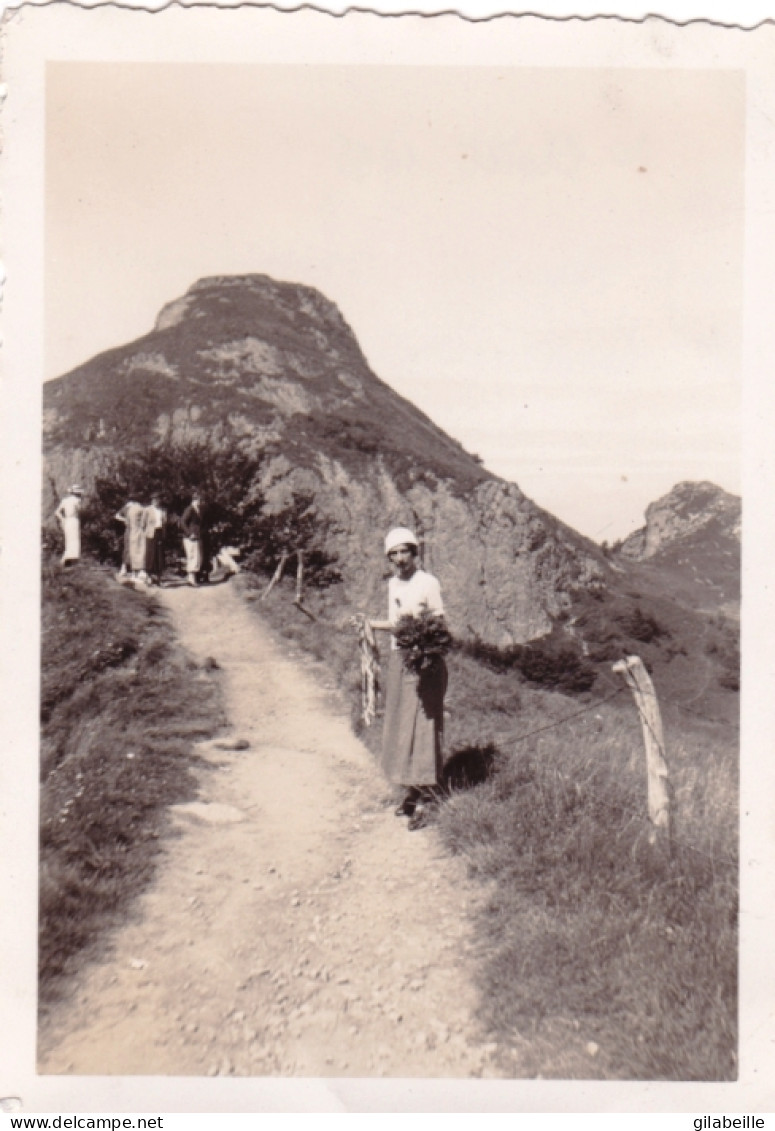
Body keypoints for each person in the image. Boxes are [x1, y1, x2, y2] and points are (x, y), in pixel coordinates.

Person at [366, 527, 448, 831]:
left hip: (426, 661)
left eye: (405, 552)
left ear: (415, 553)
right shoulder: (393, 585)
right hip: (401, 660)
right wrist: (369, 625)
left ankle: (427, 796)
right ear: (389, 557)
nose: (400, 559)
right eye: (395, 553)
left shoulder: (428, 583)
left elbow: (439, 621)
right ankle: (413, 790)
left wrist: (425, 648)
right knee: (403, 725)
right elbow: (396, 623)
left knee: (424, 725)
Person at [115, 496, 146, 580]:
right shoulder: (127, 507)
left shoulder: (139, 507)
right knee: (127, 549)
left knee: (135, 549)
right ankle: (124, 567)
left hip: (136, 530)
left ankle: (135, 569)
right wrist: (124, 520)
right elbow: (117, 516)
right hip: (129, 529)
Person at [54, 485, 83, 566]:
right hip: (74, 520)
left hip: (67, 520)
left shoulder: (65, 500)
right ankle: (68, 559)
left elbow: (57, 512)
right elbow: (79, 511)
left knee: (69, 539)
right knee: (74, 539)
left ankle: (69, 560)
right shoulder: (77, 501)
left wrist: (62, 519)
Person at [180, 493, 205, 587]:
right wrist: (189, 533)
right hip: (190, 537)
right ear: (194, 500)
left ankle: (192, 578)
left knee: (197, 557)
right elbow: (182, 522)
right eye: (199, 500)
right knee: (192, 556)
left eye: (200, 500)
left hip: (197, 536)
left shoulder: (198, 510)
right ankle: (191, 579)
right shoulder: (190, 509)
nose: (200, 502)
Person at [143, 494, 167, 586]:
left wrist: (163, 534)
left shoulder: (163, 510)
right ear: (152, 500)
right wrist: (147, 532)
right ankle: (149, 577)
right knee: (150, 555)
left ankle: (159, 578)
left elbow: (164, 523)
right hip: (150, 534)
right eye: (155, 499)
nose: (157, 501)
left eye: (158, 499)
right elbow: (143, 523)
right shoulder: (147, 510)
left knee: (159, 555)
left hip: (160, 533)